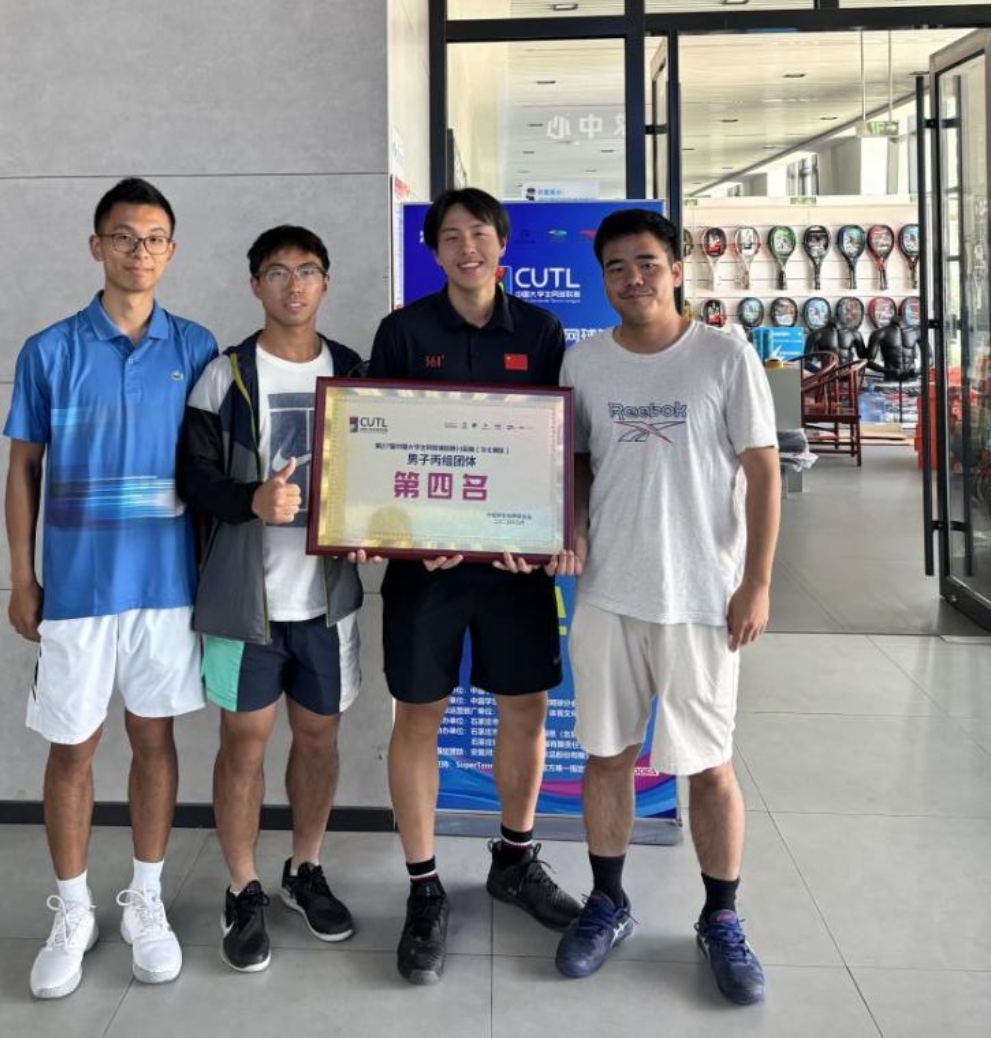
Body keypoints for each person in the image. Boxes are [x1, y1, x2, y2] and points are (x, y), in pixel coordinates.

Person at [554, 208, 779, 1006]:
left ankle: (721, 916)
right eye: (616, 266)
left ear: (676, 269)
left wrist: (756, 582)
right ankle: (608, 901)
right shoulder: (584, 362)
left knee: (710, 765)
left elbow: (763, 470)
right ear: (603, 278)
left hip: (701, 597)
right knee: (607, 754)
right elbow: (575, 462)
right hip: (608, 593)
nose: (633, 278)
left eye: (647, 262)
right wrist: (572, 528)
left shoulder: (724, 355)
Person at [3, 178, 217, 999]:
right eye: (123, 236)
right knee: (73, 748)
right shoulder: (49, 350)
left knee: (155, 741)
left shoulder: (196, 346)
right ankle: (72, 911)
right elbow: (22, 469)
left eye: (154, 238)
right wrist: (22, 576)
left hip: (167, 587)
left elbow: (214, 469)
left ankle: (145, 904)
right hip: (78, 588)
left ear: (172, 250)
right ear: (97, 246)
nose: (139, 251)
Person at [368, 188, 582, 985]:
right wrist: (404, 532)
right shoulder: (403, 331)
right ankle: (424, 884)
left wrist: (549, 529)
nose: (467, 247)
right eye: (451, 236)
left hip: (513, 566)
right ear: (432, 250)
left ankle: (515, 859)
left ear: (503, 244)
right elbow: (379, 440)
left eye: (480, 233)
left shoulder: (541, 331)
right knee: (417, 715)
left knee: (525, 708)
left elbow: (557, 443)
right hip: (424, 570)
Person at [177, 225, 364, 973]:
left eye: (307, 271)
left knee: (318, 740)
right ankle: (242, 885)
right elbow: (193, 479)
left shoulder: (353, 369)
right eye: (277, 272)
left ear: (325, 283)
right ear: (255, 284)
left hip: (326, 602)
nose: (294, 285)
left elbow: (383, 471)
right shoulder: (223, 375)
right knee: (243, 745)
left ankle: (304, 869)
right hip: (244, 603)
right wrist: (250, 499)